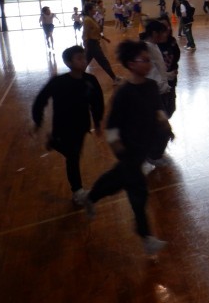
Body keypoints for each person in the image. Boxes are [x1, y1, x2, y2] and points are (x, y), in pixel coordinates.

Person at [84, 40, 170, 256]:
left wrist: (166, 126)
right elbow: (112, 124)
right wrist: (118, 146)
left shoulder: (151, 86)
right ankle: (146, 237)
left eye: (149, 60)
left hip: (143, 148)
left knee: (116, 180)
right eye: (144, 60)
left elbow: (158, 109)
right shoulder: (124, 93)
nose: (148, 64)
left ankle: (91, 197)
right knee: (138, 192)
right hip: (128, 149)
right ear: (131, 64)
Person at [32, 45, 104, 205]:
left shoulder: (90, 80)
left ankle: (54, 143)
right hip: (63, 126)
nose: (83, 61)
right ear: (68, 62)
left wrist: (97, 121)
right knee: (73, 157)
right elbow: (41, 100)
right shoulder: (59, 82)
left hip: (82, 125)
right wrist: (38, 121)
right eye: (79, 58)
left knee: (73, 154)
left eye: (84, 57)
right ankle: (77, 191)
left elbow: (97, 102)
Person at [141, 20, 176, 122]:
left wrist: (169, 75)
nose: (165, 35)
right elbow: (151, 74)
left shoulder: (154, 45)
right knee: (160, 121)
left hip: (161, 90)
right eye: (162, 33)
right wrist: (162, 87)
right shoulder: (146, 48)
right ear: (155, 33)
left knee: (168, 113)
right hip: (156, 92)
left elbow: (158, 69)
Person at [82, 2, 120, 84]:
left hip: (94, 43)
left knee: (85, 62)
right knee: (103, 61)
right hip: (91, 44)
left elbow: (95, 31)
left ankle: (76, 77)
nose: (95, 9)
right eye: (93, 8)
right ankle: (114, 78)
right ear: (89, 10)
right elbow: (85, 33)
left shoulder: (92, 18)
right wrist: (86, 44)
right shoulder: (87, 20)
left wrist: (105, 38)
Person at [157, 15, 181, 118]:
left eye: (167, 26)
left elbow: (176, 56)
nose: (165, 29)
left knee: (171, 108)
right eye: (162, 27)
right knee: (161, 110)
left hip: (171, 80)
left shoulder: (172, 41)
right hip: (158, 83)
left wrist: (174, 69)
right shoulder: (154, 45)